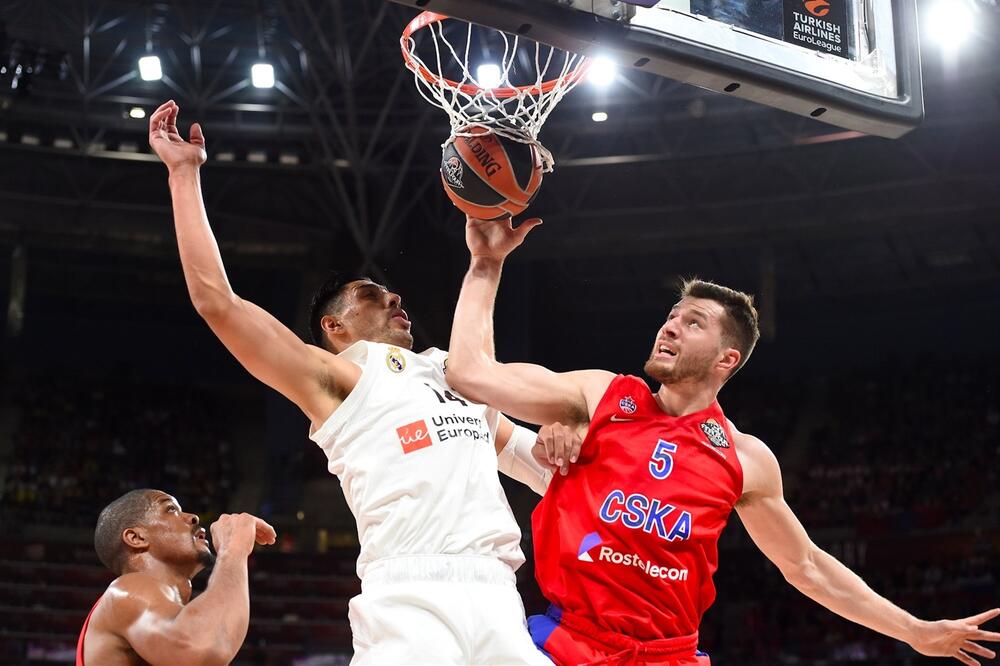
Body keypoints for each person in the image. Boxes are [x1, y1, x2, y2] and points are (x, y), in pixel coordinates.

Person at [445, 215, 1000, 666]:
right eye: (670, 317)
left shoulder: (744, 459)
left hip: (668, 656)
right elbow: (470, 374)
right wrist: (487, 264)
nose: (669, 327)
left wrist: (914, 631)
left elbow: (805, 565)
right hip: (563, 644)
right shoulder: (601, 396)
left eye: (692, 323)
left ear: (726, 358)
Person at [147, 99, 571, 664]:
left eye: (392, 293)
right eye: (372, 294)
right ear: (334, 326)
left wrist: (567, 446)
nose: (395, 297)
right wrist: (183, 174)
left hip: (499, 595)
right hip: (409, 596)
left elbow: (535, 462)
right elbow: (217, 303)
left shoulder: (453, 373)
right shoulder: (338, 379)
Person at [76, 489, 276, 666]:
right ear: (136, 538)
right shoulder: (125, 591)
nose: (193, 517)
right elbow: (201, 649)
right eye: (171, 510)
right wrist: (233, 548)